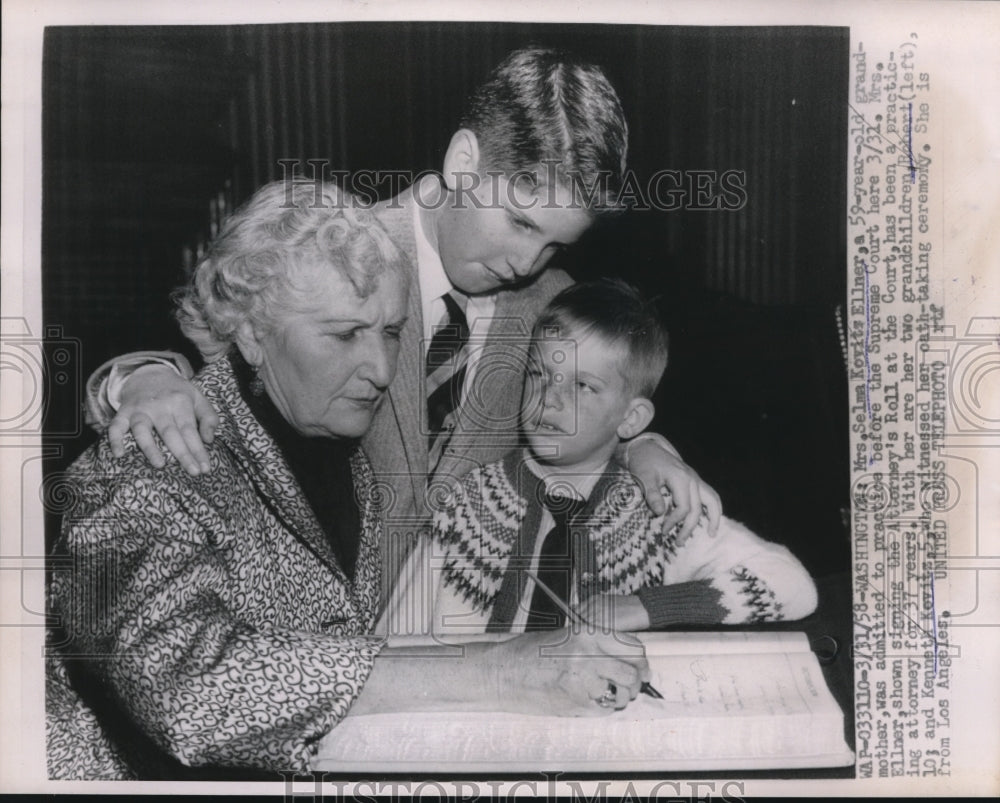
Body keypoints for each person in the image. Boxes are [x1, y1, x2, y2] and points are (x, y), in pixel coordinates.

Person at [46, 181, 650, 780]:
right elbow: (186, 690)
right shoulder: (154, 456)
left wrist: (644, 445)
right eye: (344, 335)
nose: (383, 370)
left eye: (390, 332)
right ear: (254, 333)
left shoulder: (345, 456)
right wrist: (496, 670)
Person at [81, 48, 722, 593]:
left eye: (556, 243)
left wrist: (643, 447)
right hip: (321, 639)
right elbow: (195, 330)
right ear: (463, 162)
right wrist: (143, 380)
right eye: (521, 222)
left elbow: (590, 411)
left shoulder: (554, 300)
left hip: (462, 641)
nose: (528, 261)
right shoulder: (331, 250)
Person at [385, 279, 818, 635]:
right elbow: (396, 636)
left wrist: (646, 606)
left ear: (631, 419)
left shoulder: (654, 513)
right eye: (539, 375)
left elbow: (792, 584)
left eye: (582, 386)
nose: (549, 400)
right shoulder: (467, 503)